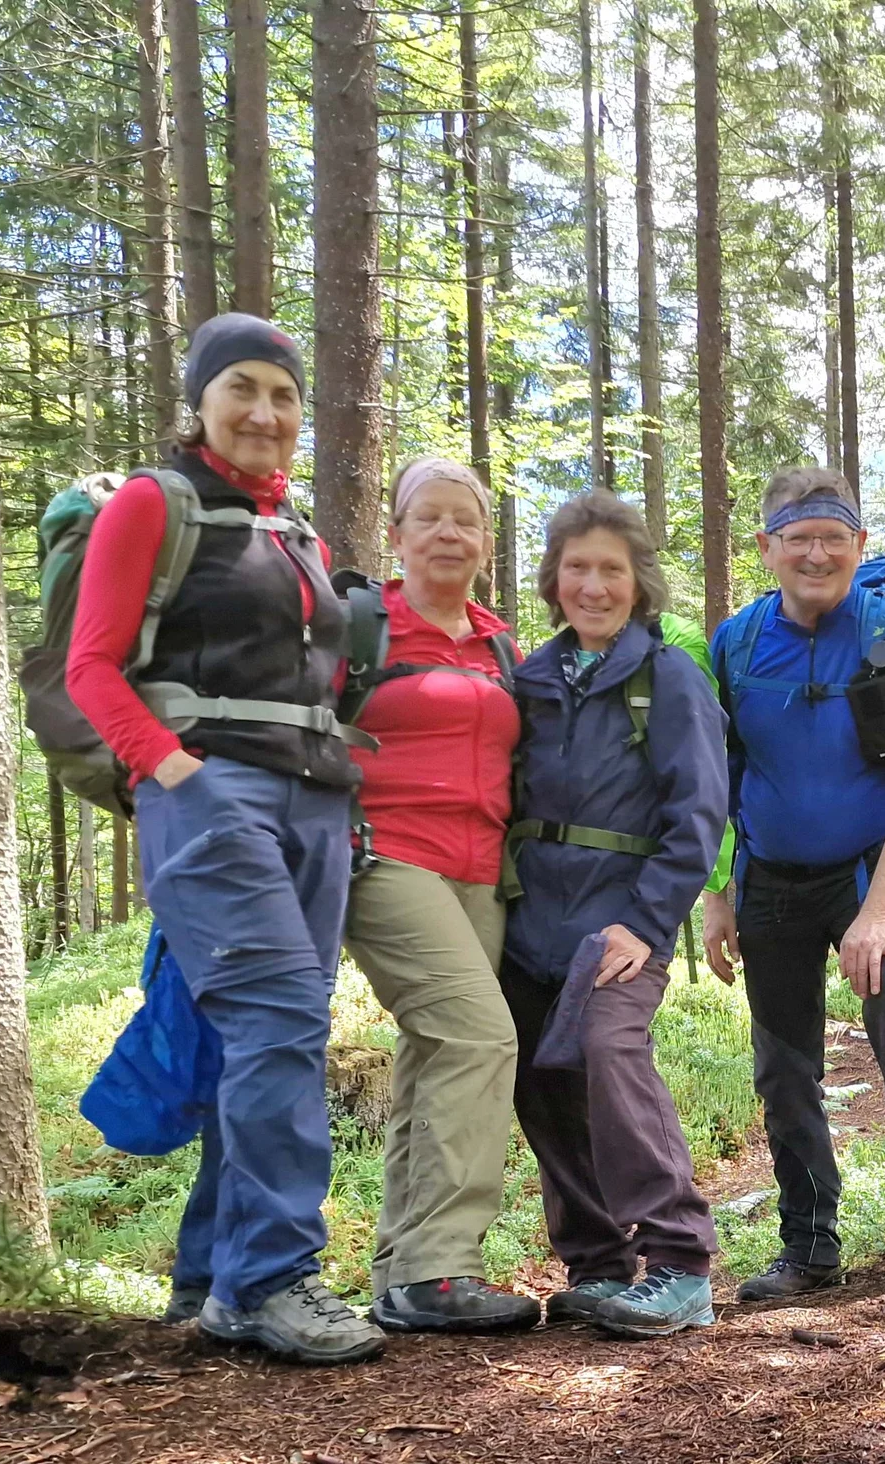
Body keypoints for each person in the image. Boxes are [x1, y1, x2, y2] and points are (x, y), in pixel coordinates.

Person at [66, 313, 385, 1365]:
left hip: (313, 801)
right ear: (200, 401)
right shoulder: (156, 507)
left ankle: (213, 1271)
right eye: (242, 388)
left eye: (284, 395)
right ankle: (272, 1280)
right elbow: (93, 667)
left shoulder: (297, 533)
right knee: (282, 1018)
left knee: (254, 1033)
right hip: (213, 797)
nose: (264, 412)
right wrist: (176, 774)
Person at [704, 466, 885, 1300]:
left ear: (859, 545)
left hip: (870, 874)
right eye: (798, 538)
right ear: (767, 548)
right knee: (783, 1065)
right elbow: (717, 774)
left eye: (833, 537)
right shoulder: (737, 643)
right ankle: (808, 1245)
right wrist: (717, 893)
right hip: (769, 883)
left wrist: (877, 915)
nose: (815, 553)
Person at [500, 491, 729, 1339]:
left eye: (612, 570)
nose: (593, 586)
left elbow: (700, 811)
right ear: (554, 580)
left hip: (622, 922)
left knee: (607, 1048)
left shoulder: (666, 676)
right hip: (528, 924)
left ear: (639, 585)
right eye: (577, 568)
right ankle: (598, 1264)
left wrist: (647, 921)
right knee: (536, 1076)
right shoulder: (527, 678)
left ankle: (679, 1262)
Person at [337, 458, 539, 1334]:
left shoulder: (501, 645)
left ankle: (402, 1270)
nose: (450, 533)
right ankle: (443, 1267)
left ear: (486, 543)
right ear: (398, 533)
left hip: (482, 869)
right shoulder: (358, 627)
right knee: (480, 1035)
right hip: (384, 858)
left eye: (466, 520)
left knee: (434, 1053)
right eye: (431, 518)